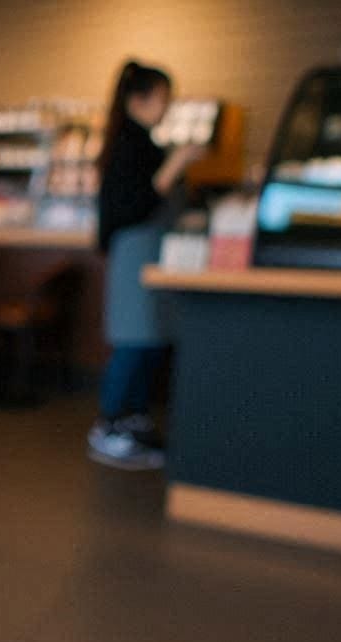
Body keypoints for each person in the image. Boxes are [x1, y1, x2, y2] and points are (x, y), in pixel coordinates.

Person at [87, 61, 205, 471]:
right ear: (140, 99)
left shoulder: (143, 141)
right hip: (133, 254)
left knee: (150, 340)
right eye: (163, 99)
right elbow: (134, 204)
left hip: (151, 253)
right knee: (132, 340)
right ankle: (108, 427)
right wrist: (177, 164)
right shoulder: (128, 145)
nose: (167, 107)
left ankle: (132, 423)